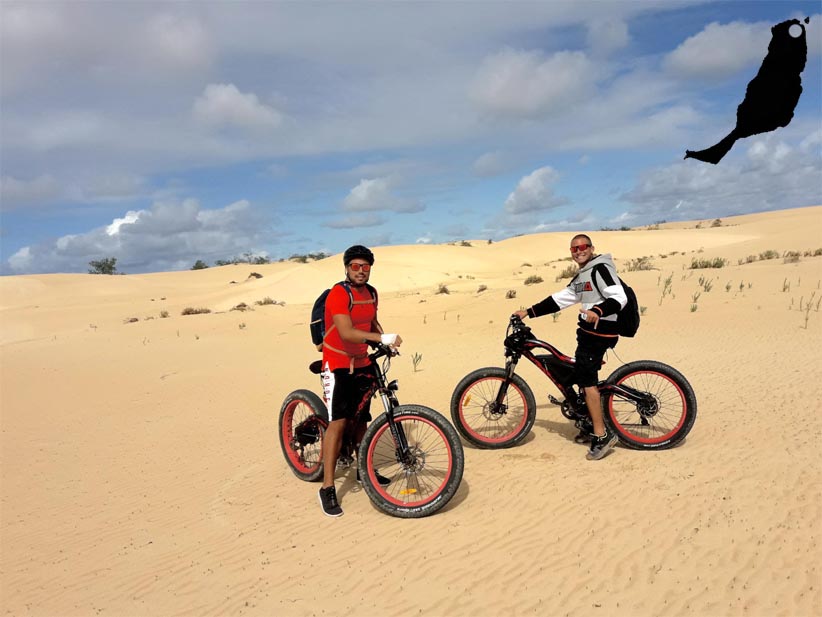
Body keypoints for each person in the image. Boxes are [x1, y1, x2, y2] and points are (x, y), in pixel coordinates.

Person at [513, 234, 627, 461]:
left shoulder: (601, 269)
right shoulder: (583, 276)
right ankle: (587, 421)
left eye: (583, 246)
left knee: (587, 380)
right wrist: (528, 312)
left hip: (600, 332)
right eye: (575, 248)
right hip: (588, 333)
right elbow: (560, 299)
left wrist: (599, 311)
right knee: (575, 369)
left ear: (592, 248)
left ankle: (601, 435)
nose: (579, 251)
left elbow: (619, 297)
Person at [317, 245, 403, 517]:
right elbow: (347, 331)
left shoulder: (372, 293)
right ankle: (328, 488)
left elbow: (371, 324)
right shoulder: (338, 294)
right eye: (356, 266)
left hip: (363, 361)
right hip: (338, 362)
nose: (361, 271)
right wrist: (381, 339)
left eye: (366, 266)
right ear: (346, 268)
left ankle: (363, 468)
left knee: (362, 419)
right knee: (339, 422)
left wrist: (384, 338)